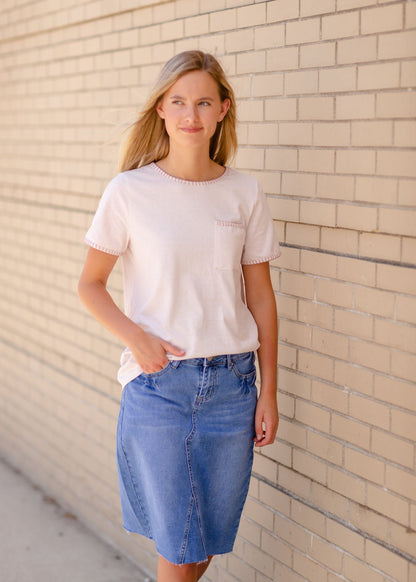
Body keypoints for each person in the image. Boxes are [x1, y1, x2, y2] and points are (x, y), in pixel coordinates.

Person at [78, 50, 281, 582]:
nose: (191, 114)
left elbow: (260, 297)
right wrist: (136, 338)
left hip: (234, 387)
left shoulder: (244, 192)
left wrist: (269, 390)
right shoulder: (129, 191)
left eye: (203, 102)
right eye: (178, 102)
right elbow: (90, 284)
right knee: (182, 546)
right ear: (161, 110)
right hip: (160, 386)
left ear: (222, 110)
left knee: (202, 543)